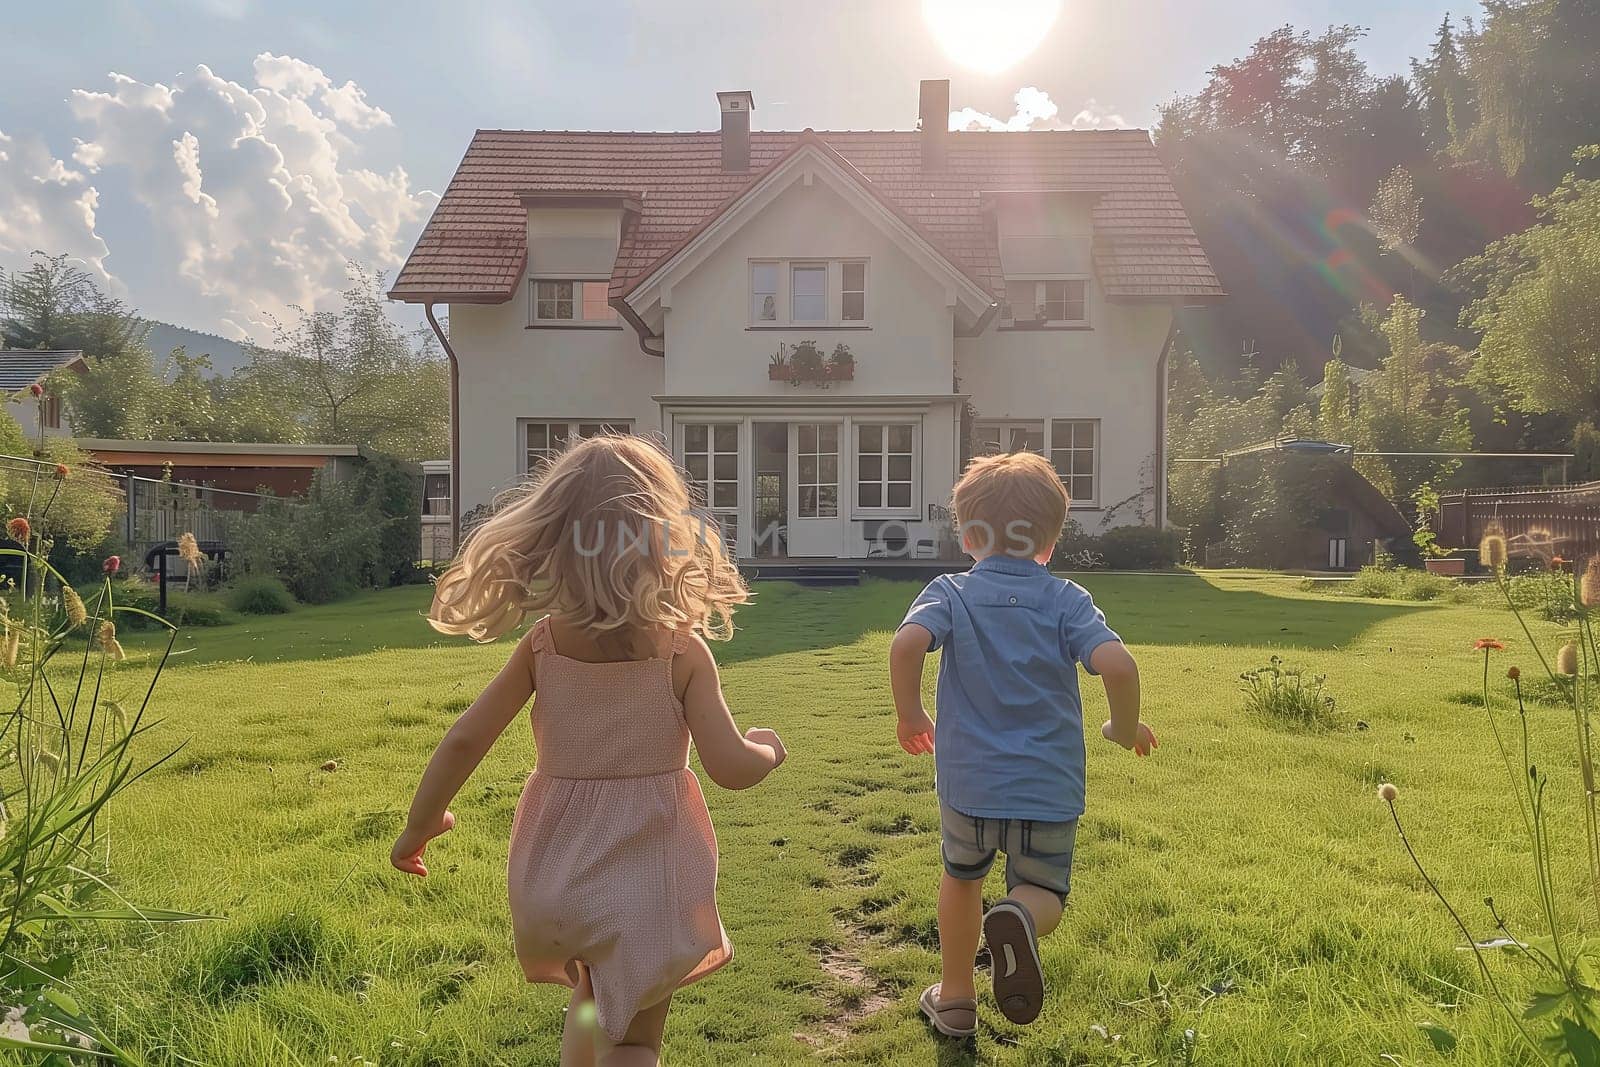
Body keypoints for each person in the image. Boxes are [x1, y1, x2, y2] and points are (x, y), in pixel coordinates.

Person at [391, 435, 787, 1066]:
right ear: (666, 537)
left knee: (593, 1000)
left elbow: (468, 735)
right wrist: (767, 750)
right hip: (652, 876)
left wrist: (421, 823)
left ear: (554, 536)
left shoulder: (544, 646)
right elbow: (728, 768)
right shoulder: (680, 652)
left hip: (556, 871)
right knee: (634, 1040)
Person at [887, 450, 1154, 1037]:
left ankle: (955, 999)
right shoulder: (1067, 600)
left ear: (969, 533)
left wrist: (911, 714)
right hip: (1048, 788)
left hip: (970, 786)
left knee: (961, 879)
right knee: (1044, 891)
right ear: (1051, 540)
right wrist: (1124, 727)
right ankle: (1021, 917)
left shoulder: (951, 592)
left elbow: (906, 645)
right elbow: (1120, 665)